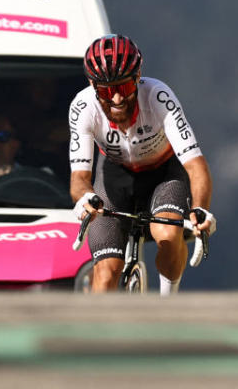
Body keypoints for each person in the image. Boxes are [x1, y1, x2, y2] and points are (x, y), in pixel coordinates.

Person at [69, 34, 217, 295]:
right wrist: (85, 198)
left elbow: (196, 165)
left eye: (124, 87)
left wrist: (200, 208)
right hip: (114, 175)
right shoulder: (82, 108)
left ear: (138, 77)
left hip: (163, 173)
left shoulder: (158, 96)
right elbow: (79, 178)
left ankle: (166, 306)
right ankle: (93, 333)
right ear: (93, 85)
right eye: (106, 90)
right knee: (105, 275)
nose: (116, 99)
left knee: (168, 236)